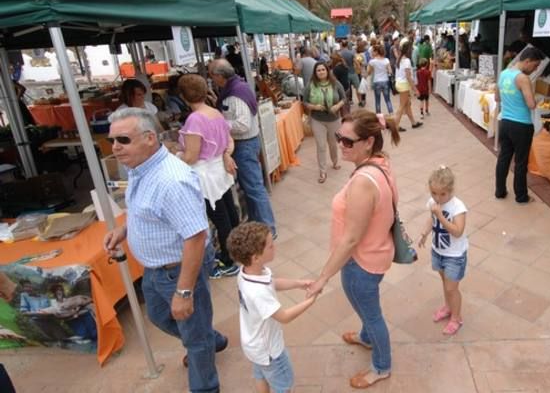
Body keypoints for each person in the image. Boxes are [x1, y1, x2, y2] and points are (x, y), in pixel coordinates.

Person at [103, 108, 227, 393]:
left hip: (178, 270)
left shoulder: (172, 180)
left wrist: (184, 292)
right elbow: (143, 210)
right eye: (113, 140)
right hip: (155, 268)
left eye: (123, 139)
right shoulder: (139, 166)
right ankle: (210, 340)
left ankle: (205, 384)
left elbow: (195, 237)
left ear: (149, 138)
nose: (115, 147)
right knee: (160, 316)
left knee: (194, 337)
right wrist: (124, 231)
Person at [307, 109, 400, 389]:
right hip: (373, 252)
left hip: (361, 261)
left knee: (371, 313)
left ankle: (381, 367)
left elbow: (350, 239)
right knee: (366, 309)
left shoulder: (363, 181)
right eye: (339, 138)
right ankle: (367, 337)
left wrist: (322, 277)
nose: (340, 145)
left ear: (368, 142)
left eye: (348, 141)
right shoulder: (380, 162)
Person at [227, 222, 318, 393]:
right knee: (284, 386)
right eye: (270, 246)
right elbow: (284, 317)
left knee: (261, 375)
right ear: (256, 257)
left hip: (254, 345)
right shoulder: (258, 293)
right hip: (270, 351)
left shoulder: (248, 272)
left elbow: (272, 283)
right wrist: (309, 301)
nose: (274, 246)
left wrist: (298, 284)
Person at [174, 74, 240, 279]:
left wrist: (174, 157)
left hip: (205, 175)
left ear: (183, 96)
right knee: (229, 212)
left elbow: (192, 156)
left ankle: (228, 261)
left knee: (220, 218)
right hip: (219, 169)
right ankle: (236, 251)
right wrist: (225, 155)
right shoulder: (215, 112)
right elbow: (229, 141)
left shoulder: (195, 120)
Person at [209, 59, 277, 237]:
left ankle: (269, 229)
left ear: (219, 75)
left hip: (244, 144)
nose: (211, 79)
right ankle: (259, 224)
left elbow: (243, 124)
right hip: (246, 144)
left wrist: (218, 122)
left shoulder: (234, 94)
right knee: (251, 187)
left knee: (254, 187)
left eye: (211, 75)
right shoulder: (238, 86)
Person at [418, 166, 468, 336]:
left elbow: (457, 231)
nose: (437, 198)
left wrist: (440, 216)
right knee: (445, 285)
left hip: (454, 256)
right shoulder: (433, 203)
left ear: (450, 190)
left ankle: (456, 318)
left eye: (442, 194)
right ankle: (448, 307)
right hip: (438, 251)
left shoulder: (457, 207)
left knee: (451, 288)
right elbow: (430, 219)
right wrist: (425, 233)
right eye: (434, 193)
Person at [495, 47, 545, 204]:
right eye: (535, 65)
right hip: (522, 125)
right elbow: (531, 104)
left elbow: (497, 97)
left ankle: (500, 191)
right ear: (527, 61)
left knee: (504, 158)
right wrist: (537, 99)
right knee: (521, 162)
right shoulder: (523, 78)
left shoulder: (503, 74)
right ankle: (521, 196)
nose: (535, 69)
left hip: (505, 122)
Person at [303, 62, 346, 184]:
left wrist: (337, 106)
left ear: (327, 71)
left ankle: (335, 161)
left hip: (334, 119)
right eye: (318, 70)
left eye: (323, 69)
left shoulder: (335, 83)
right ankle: (322, 170)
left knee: (333, 144)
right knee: (321, 145)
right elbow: (304, 101)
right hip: (318, 120)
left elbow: (344, 98)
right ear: (315, 73)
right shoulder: (310, 85)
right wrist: (314, 107)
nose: (321, 72)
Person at [394, 41, 422, 132]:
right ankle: (395, 125)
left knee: (407, 104)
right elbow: (408, 76)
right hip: (404, 85)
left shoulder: (399, 58)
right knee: (402, 106)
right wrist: (415, 90)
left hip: (399, 83)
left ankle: (413, 123)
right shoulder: (407, 61)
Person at [367, 43, 394, 115]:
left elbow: (368, 72)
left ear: (376, 52)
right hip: (385, 81)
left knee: (377, 101)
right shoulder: (386, 60)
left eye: (373, 51)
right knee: (388, 100)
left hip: (377, 81)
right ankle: (391, 115)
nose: (372, 52)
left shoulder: (372, 61)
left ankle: (379, 117)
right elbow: (390, 71)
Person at [339, 40, 359, 105]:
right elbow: (356, 63)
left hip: (344, 73)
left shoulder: (339, 54)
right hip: (352, 72)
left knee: (347, 88)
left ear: (341, 45)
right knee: (357, 87)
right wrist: (359, 70)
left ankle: (349, 100)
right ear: (347, 45)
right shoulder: (351, 53)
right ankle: (360, 100)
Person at [354, 40, 369, 107]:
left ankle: (360, 100)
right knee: (363, 85)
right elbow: (365, 63)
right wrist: (361, 62)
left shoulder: (354, 54)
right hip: (362, 71)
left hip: (356, 72)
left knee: (358, 86)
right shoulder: (363, 54)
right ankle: (363, 100)